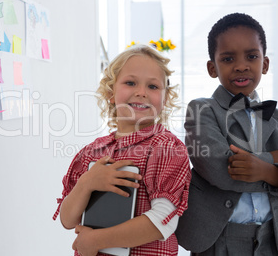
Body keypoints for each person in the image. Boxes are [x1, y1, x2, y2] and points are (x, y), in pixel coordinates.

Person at [175, 13, 278, 256]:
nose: (241, 65)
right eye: (228, 58)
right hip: (218, 238)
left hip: (275, 239)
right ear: (212, 68)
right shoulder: (202, 109)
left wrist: (265, 167)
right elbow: (221, 171)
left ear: (265, 63)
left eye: (252, 56)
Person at [53, 44, 192, 256]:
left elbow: (164, 220)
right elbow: (68, 219)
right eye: (130, 83)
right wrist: (87, 183)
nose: (141, 92)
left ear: (164, 100)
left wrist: (96, 240)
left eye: (153, 87)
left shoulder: (165, 147)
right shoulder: (92, 152)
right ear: (110, 93)